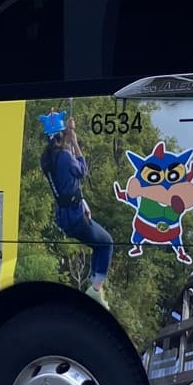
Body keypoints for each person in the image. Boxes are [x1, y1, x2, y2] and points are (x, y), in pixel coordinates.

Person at [43, 118, 113, 301]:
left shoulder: (47, 159)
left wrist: (68, 136)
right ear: (61, 137)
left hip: (64, 217)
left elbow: (68, 178)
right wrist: (74, 140)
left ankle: (95, 286)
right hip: (75, 218)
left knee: (98, 245)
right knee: (107, 243)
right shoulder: (65, 157)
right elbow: (81, 170)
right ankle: (96, 291)